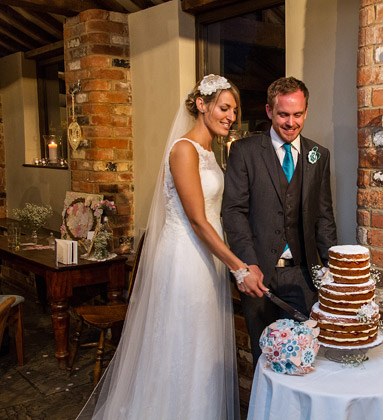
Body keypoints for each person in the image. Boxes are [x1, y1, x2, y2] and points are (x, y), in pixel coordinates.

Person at [78, 75, 260, 420]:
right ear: (202, 105)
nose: (231, 116)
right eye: (224, 108)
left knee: (201, 349)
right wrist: (239, 267)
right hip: (184, 260)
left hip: (207, 260)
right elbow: (197, 220)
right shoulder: (183, 150)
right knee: (181, 345)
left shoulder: (208, 151)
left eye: (234, 110)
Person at [222, 76, 337, 364]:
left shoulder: (318, 156)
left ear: (306, 112)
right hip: (259, 275)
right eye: (283, 114)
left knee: (306, 359)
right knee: (265, 359)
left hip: (303, 277)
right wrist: (247, 265)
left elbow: (324, 217)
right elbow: (234, 211)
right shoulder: (245, 152)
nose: (291, 122)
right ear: (269, 111)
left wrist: (332, 273)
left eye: (298, 114)